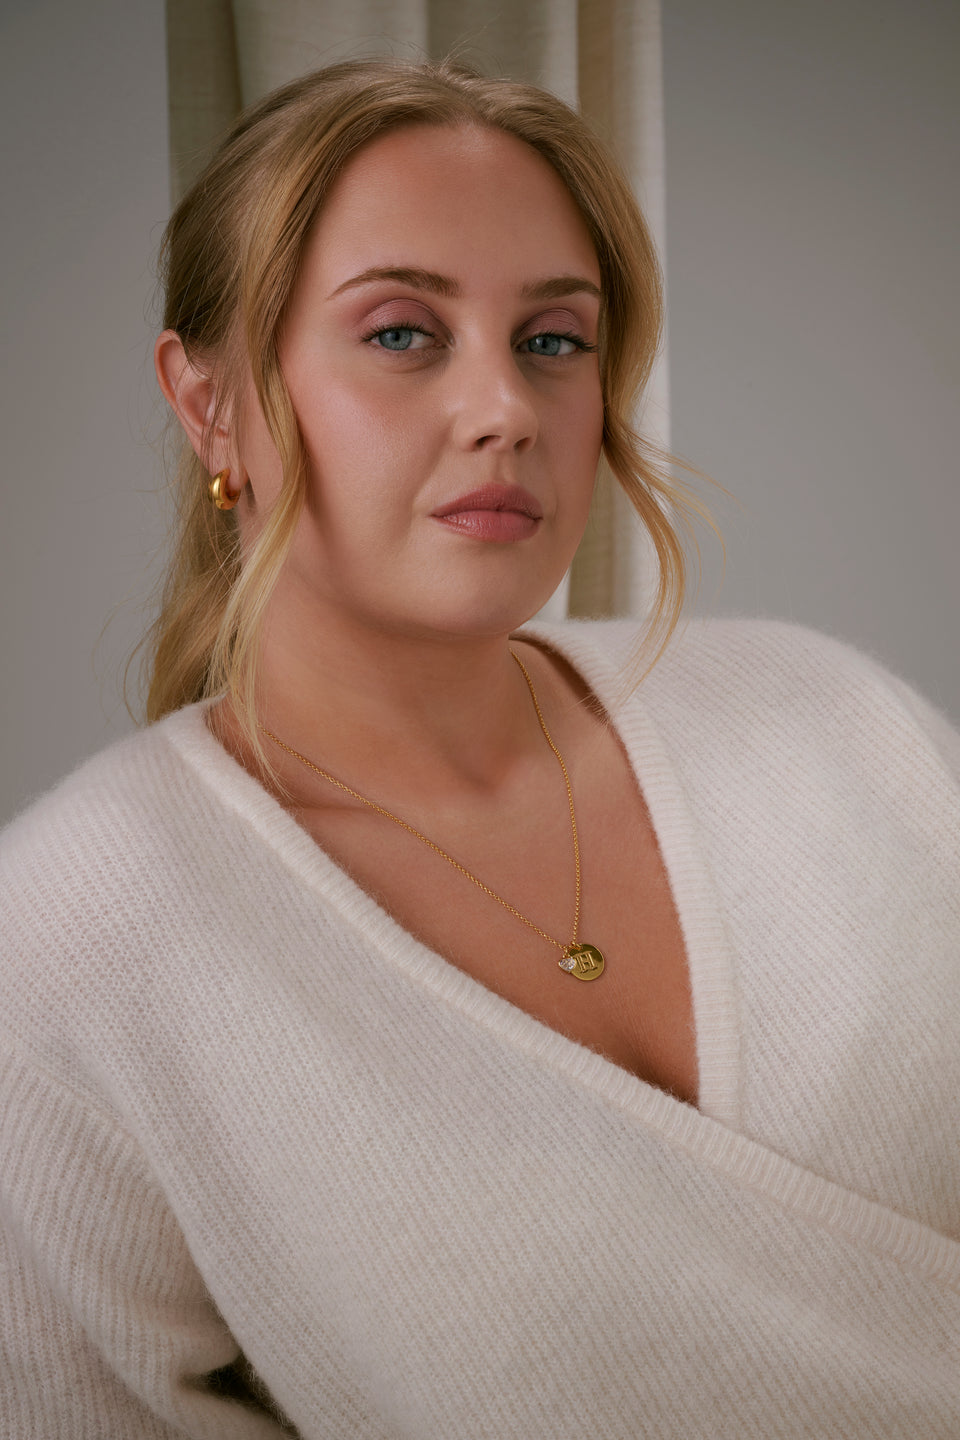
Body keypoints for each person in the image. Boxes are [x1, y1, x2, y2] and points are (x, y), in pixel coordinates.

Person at [1, 58, 958, 1440]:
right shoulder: (66, 950)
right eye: (401, 334)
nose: (504, 407)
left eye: (553, 340)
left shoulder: (842, 725)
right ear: (211, 405)